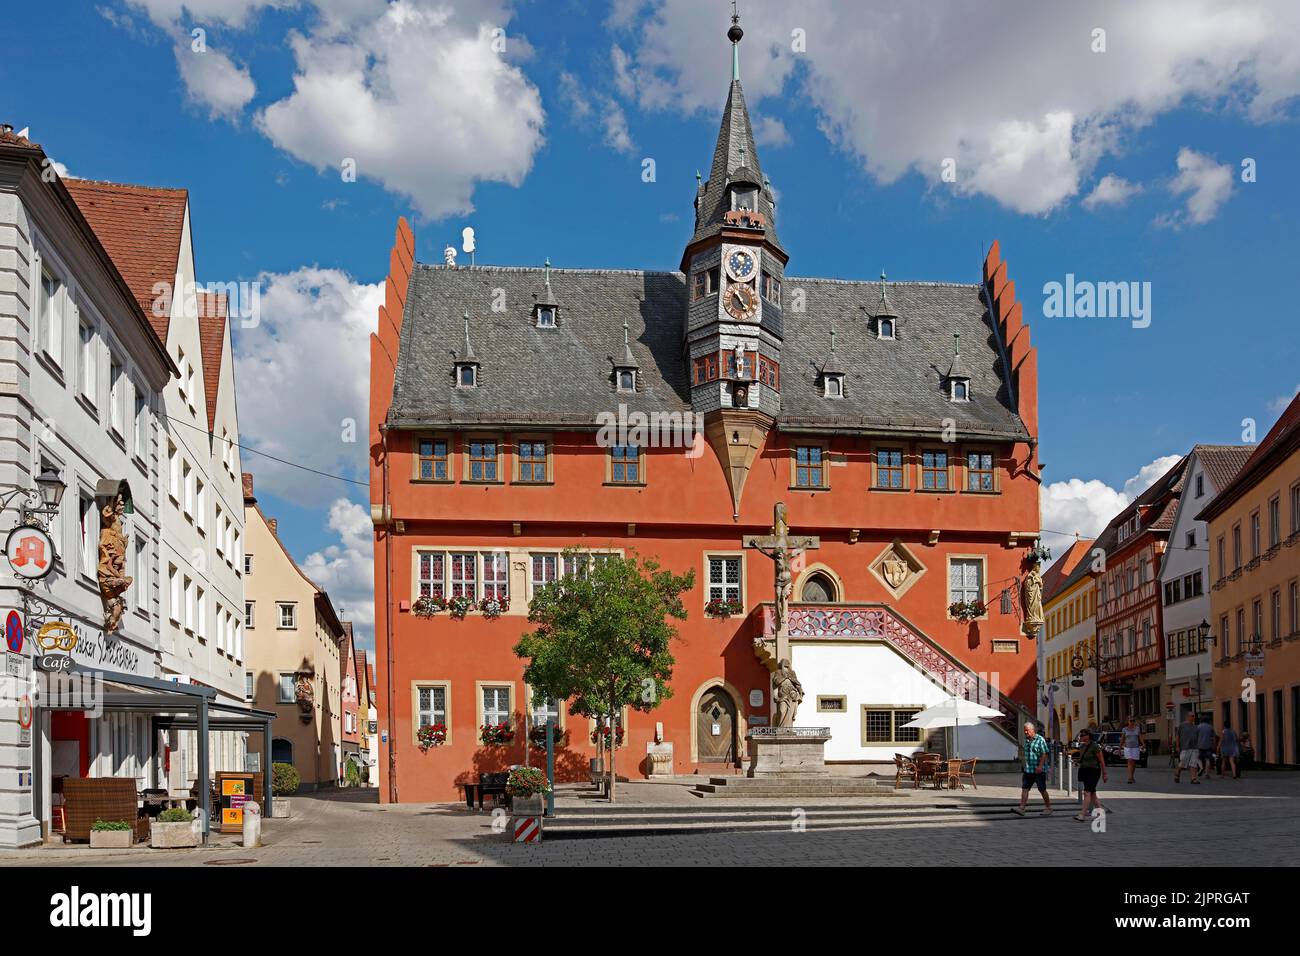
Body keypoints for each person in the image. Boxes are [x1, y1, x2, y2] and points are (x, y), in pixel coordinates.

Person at [1014, 721, 1053, 817]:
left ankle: (1048, 808)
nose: (1026, 733)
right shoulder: (1027, 740)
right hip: (1028, 770)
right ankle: (1022, 808)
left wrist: (1040, 766)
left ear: (1032, 730)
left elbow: (1044, 754)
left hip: (1038, 770)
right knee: (1025, 788)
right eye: (1025, 731)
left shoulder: (1040, 739)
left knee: (1042, 789)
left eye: (1027, 731)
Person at [1073, 728, 1109, 820]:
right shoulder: (1082, 747)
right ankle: (1100, 813)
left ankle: (1082, 814)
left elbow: (1101, 761)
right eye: (1080, 735)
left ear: (1088, 736)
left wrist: (1105, 773)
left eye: (1082, 735)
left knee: (1087, 792)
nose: (1080, 737)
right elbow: (1083, 759)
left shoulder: (1095, 746)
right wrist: (1077, 762)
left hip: (1094, 771)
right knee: (1092, 793)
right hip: (1084, 770)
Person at [1174, 710, 1200, 784]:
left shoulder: (1196, 727)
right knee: (1182, 763)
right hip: (1185, 747)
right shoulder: (1182, 725)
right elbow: (1178, 736)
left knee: (1194, 763)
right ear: (1188, 717)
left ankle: (1193, 779)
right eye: (1192, 716)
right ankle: (1177, 773)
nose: (1194, 717)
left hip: (1195, 748)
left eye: (1194, 716)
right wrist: (1177, 746)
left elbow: (1197, 737)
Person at [1121, 715, 1142, 784]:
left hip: (1135, 747)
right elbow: (1122, 738)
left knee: (1133, 762)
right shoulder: (1124, 729)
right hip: (1127, 747)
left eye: (1133, 721)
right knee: (1130, 760)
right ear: (1128, 721)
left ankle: (1132, 776)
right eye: (1131, 721)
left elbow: (1140, 737)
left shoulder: (1137, 728)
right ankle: (1130, 778)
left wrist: (1143, 744)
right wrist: (1120, 746)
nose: (1132, 722)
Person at [1195, 714, 1216, 781]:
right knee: (1207, 759)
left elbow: (1195, 736)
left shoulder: (1198, 727)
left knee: (1197, 758)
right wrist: (1214, 745)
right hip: (1208, 745)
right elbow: (1214, 737)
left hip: (1199, 745)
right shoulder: (1210, 727)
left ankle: (1201, 767)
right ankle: (1207, 774)